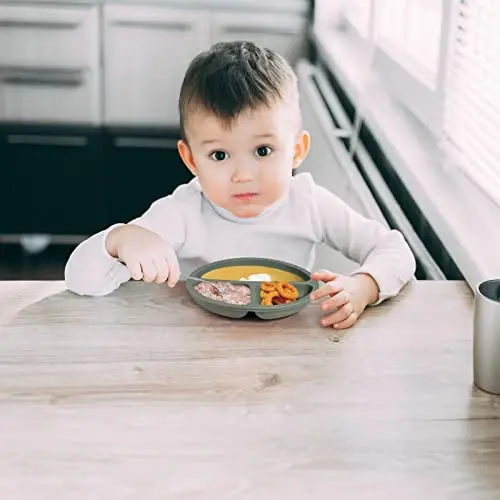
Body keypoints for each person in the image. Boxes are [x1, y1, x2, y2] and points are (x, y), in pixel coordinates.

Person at [65, 41, 416, 329]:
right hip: (200, 352)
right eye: (219, 155)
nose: (243, 175)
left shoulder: (309, 203)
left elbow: (396, 250)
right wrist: (119, 239)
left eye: (263, 151)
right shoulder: (182, 212)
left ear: (297, 150)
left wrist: (365, 286)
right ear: (191, 160)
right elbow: (80, 280)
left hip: (286, 354)